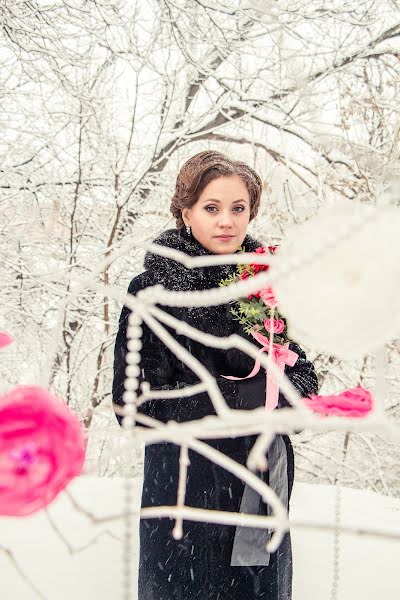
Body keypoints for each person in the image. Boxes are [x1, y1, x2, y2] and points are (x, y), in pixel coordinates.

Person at [112, 150, 318, 599]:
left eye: (238, 208)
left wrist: (283, 397)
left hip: (260, 491)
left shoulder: (261, 284)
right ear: (186, 213)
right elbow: (133, 406)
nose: (227, 221)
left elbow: (301, 372)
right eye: (212, 208)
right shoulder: (154, 292)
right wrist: (237, 401)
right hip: (186, 497)